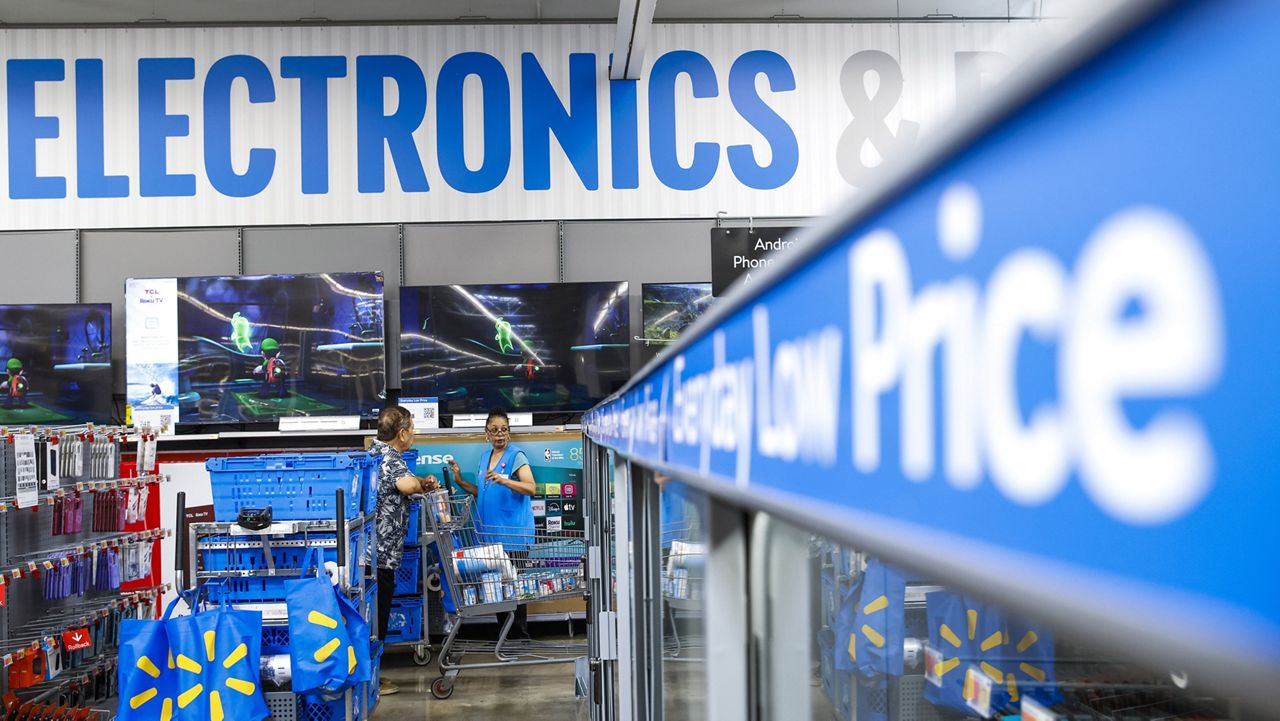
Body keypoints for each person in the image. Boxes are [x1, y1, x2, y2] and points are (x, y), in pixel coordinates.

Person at [448, 407, 536, 638]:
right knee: (496, 589)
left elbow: (530, 487)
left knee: (513, 590)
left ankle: (519, 639)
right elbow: (482, 492)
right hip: (490, 537)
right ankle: (505, 638)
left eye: (504, 430)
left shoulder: (517, 456)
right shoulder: (485, 457)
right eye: (494, 430)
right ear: (486, 433)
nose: (500, 434)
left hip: (513, 538)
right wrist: (459, 480)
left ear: (509, 432)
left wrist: (504, 480)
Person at [369, 405, 438, 696]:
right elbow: (408, 484)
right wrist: (426, 482)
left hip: (370, 552)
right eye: (412, 428)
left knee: (371, 616)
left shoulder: (372, 452)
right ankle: (371, 680)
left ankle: (371, 674)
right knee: (378, 618)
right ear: (401, 433)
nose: (413, 434)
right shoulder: (390, 458)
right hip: (380, 555)